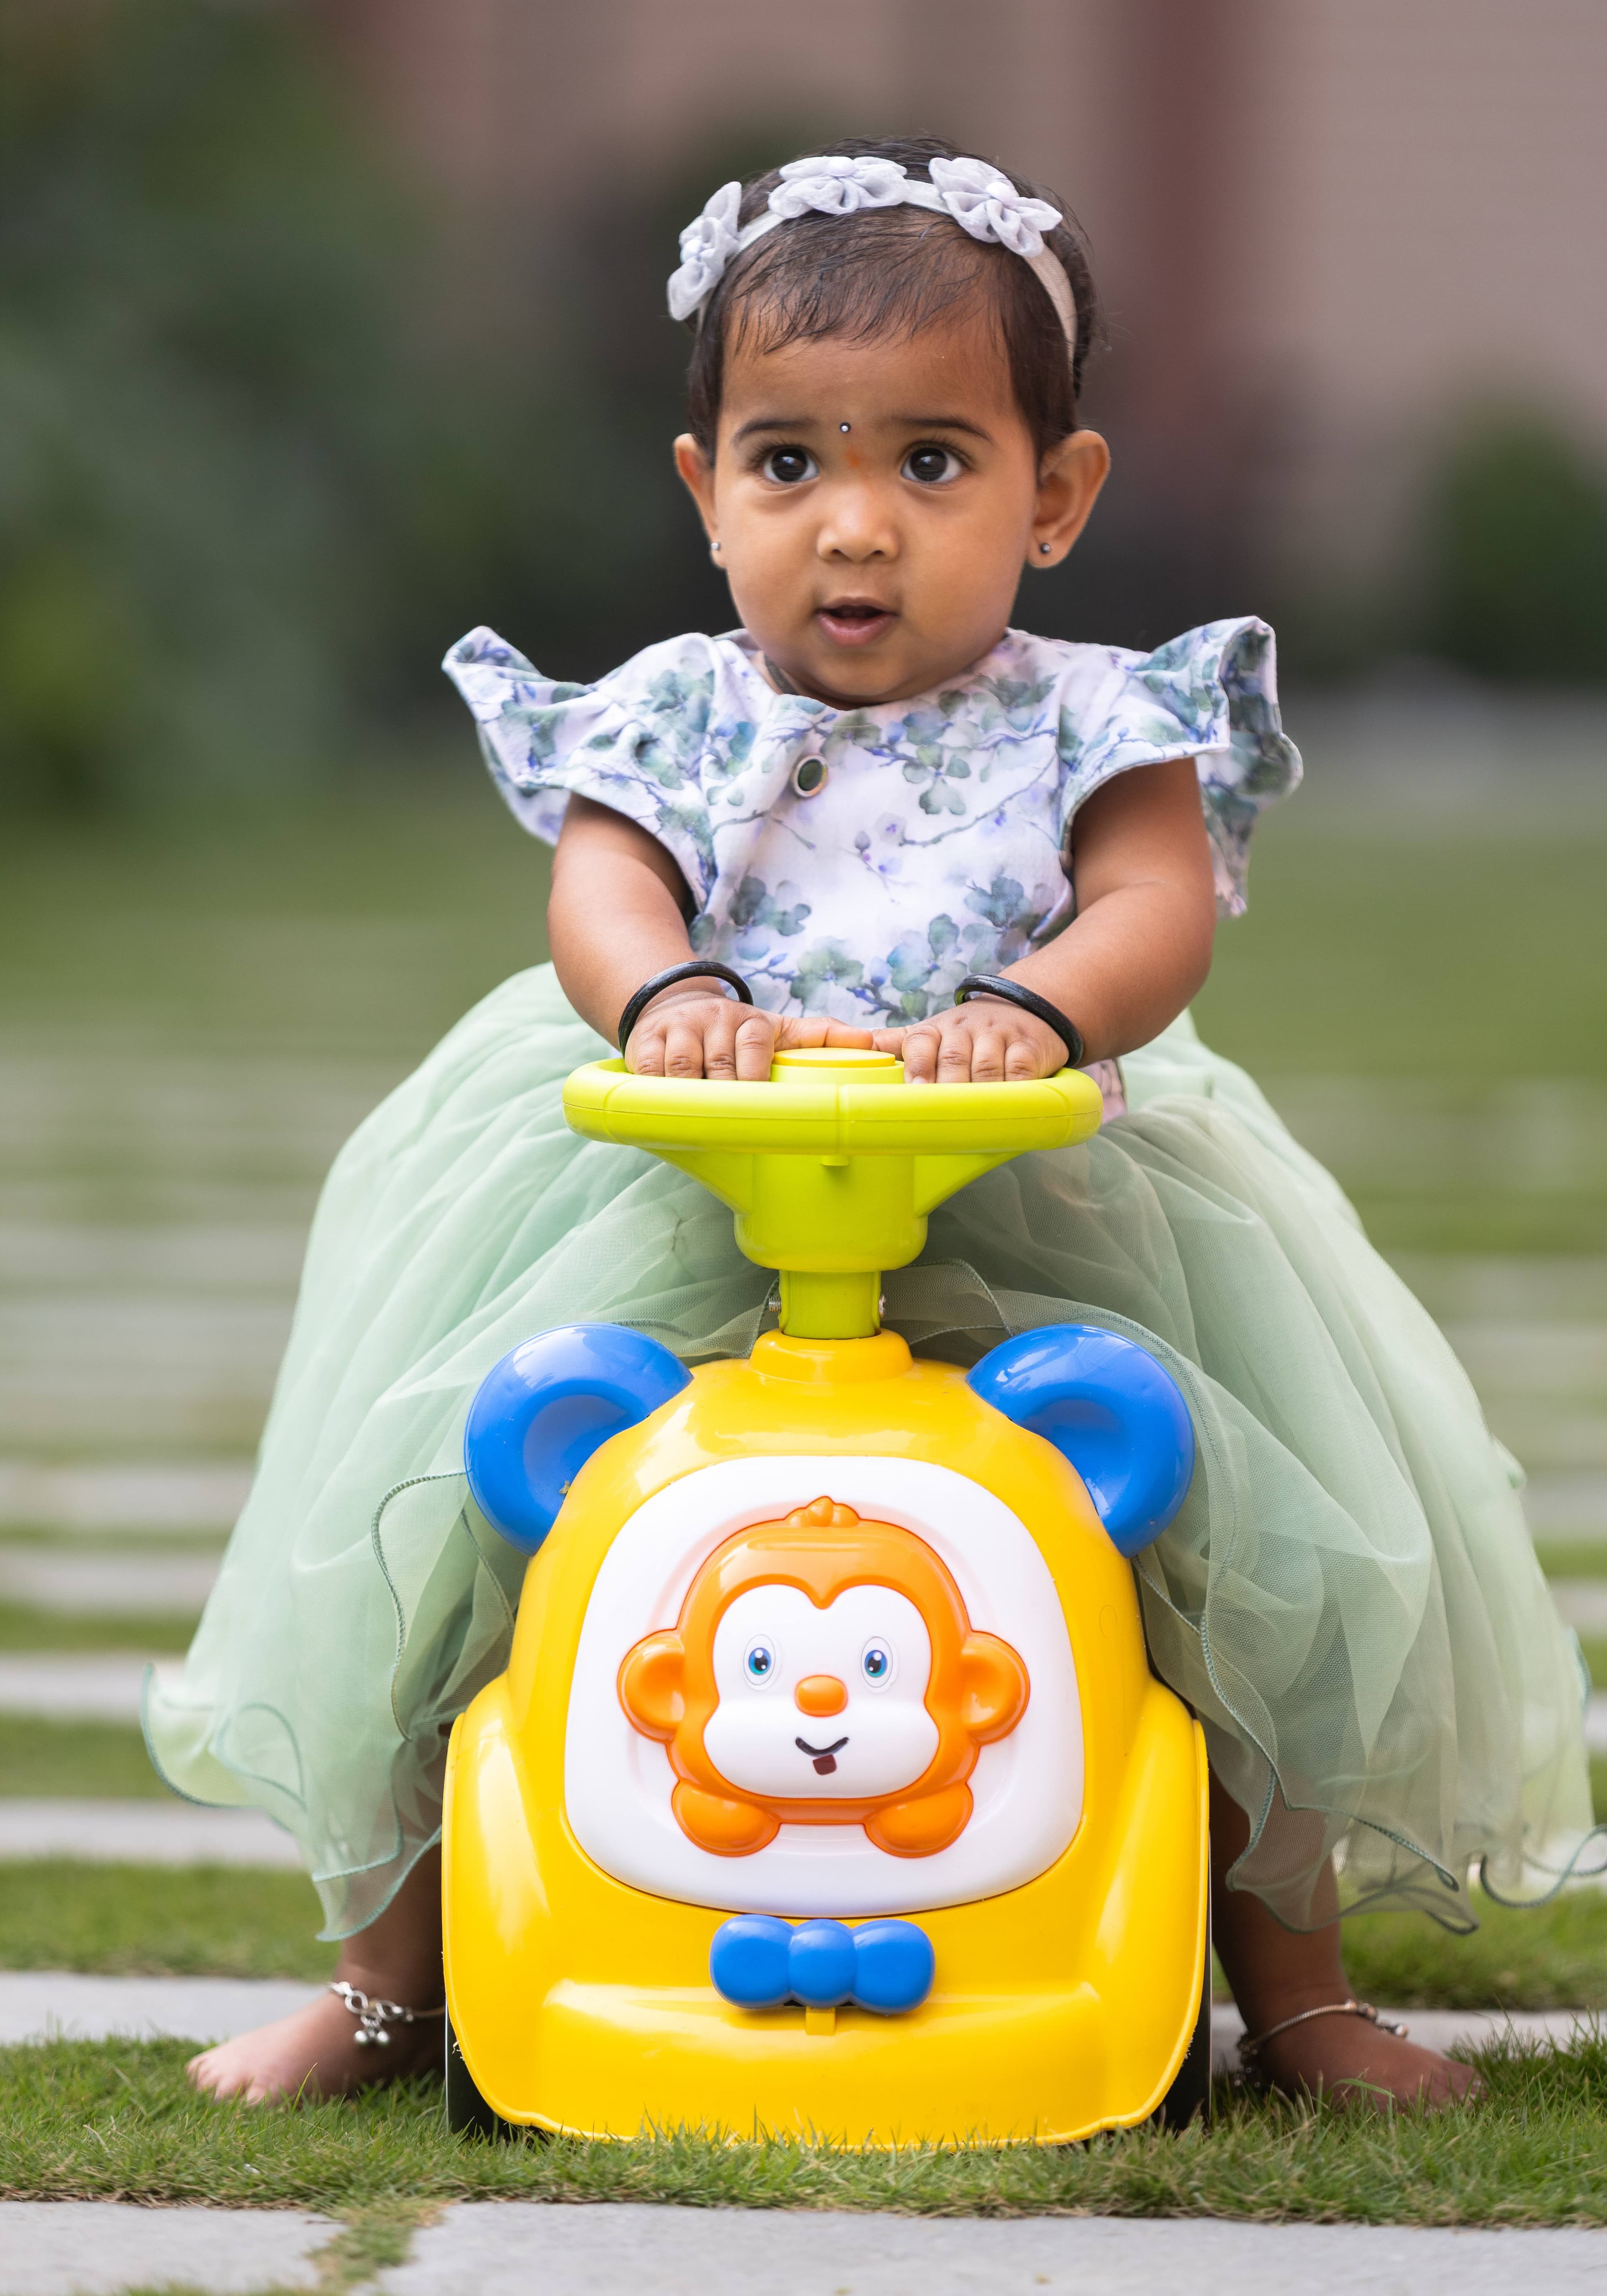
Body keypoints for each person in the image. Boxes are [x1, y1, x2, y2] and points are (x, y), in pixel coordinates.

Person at [155, 136, 1598, 2114]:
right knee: (475, 1541)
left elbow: (1154, 908)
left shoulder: (1101, 716)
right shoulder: (673, 712)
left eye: (931, 463)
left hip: (1032, 1185)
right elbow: (603, 892)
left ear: (1055, 493)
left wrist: (1041, 1007)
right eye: (789, 464)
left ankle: (1302, 1994)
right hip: (679, 1182)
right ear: (704, 493)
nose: (855, 528)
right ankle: (389, 1984)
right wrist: (667, 994)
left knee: (1222, 1549)